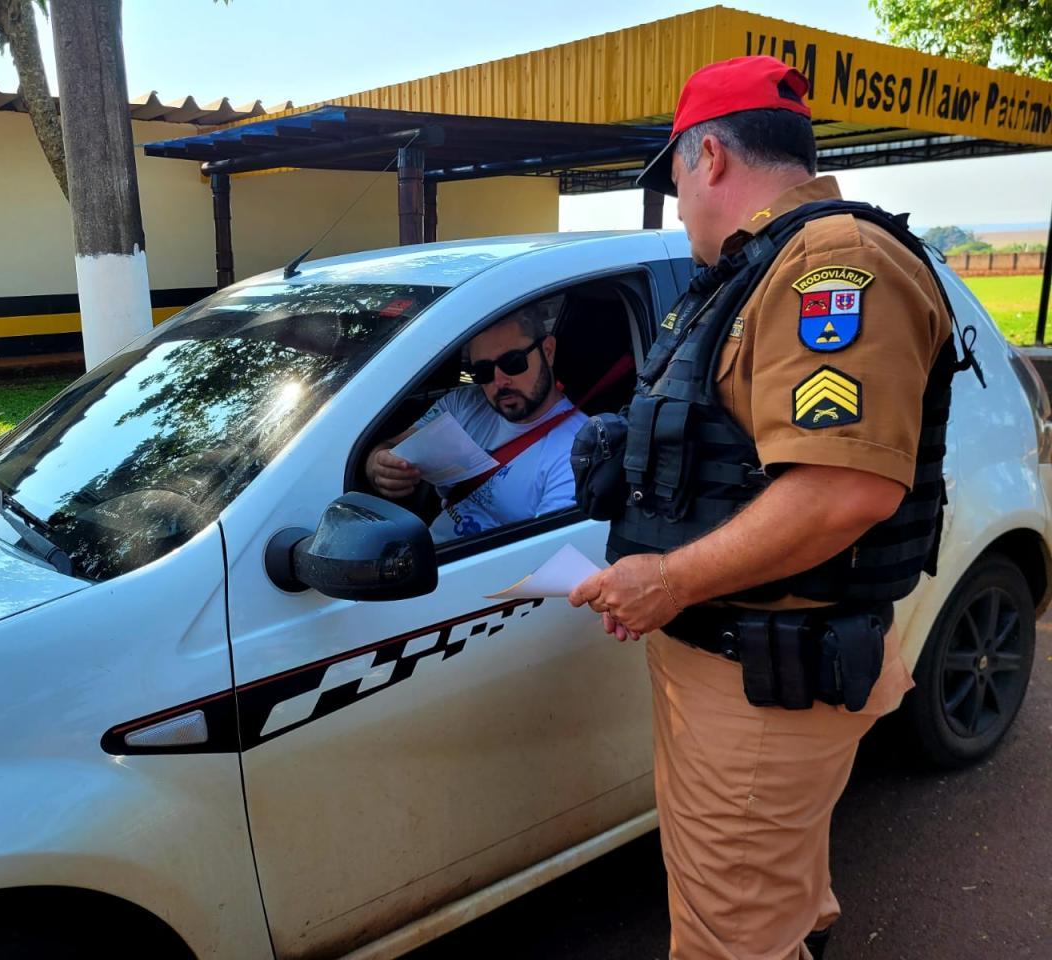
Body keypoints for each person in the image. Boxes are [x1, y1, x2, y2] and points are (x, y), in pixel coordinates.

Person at [569, 56, 963, 959]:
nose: (678, 210)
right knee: (772, 898)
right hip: (744, 662)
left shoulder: (833, 263)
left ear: (708, 155)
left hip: (763, 677)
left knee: (726, 939)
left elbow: (844, 487)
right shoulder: (762, 269)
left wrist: (668, 577)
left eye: (674, 184)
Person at [365, 302, 588, 542]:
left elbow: (544, 563)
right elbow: (392, 447)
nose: (499, 381)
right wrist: (378, 465)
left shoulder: (576, 452)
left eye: (513, 362)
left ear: (548, 351)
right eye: (483, 371)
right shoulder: (462, 405)